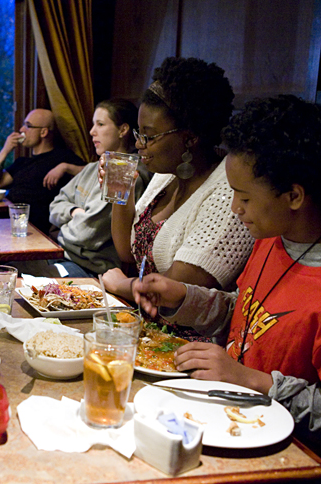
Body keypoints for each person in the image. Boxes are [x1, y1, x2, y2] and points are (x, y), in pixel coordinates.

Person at [132, 95, 321, 453]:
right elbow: (247, 315)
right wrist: (184, 298)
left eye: (244, 198)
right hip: (230, 421)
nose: (234, 208)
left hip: (287, 461)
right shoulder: (272, 241)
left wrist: (254, 381)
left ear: (294, 196)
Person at [101, 57, 254, 314]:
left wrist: (121, 285)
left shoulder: (228, 194)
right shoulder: (169, 174)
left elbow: (172, 287)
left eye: (149, 136)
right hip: (141, 321)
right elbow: (127, 252)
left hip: (182, 333)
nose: (139, 144)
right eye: (139, 133)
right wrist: (121, 192)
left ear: (190, 138)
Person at [46, 98, 150, 278]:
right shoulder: (91, 168)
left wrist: (61, 229)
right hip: (61, 254)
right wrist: (73, 212)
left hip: (89, 269)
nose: (92, 131)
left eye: (100, 124)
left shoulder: (124, 173)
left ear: (123, 130)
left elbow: (85, 234)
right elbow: (55, 205)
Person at [0, 108, 85, 235]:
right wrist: (5, 150)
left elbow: (92, 171)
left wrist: (65, 167)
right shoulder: (22, 162)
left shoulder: (62, 158)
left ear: (43, 132)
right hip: (7, 220)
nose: (21, 130)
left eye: (28, 126)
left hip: (33, 227)